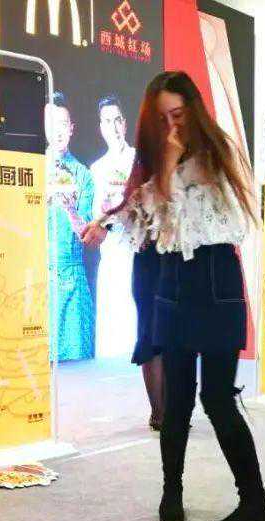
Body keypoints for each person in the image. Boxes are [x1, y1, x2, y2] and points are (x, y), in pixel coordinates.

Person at [83, 71, 265, 521]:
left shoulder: (215, 152)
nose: (171, 126)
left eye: (179, 114)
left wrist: (166, 168)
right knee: (177, 399)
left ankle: (256, 504)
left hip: (214, 277)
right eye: (163, 117)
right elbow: (142, 213)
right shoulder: (154, 160)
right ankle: (172, 492)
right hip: (170, 279)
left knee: (217, 397)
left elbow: (194, 216)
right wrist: (105, 222)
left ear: (194, 110)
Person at [88, 96, 164, 430]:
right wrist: (101, 221)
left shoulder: (157, 163)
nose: (115, 126)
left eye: (118, 119)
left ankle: (173, 409)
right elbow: (126, 204)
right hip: (136, 255)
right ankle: (159, 412)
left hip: (169, 257)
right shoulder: (101, 168)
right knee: (146, 332)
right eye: (107, 120)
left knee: (170, 336)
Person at [47, 92, 96, 362]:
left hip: (73, 278)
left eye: (63, 124)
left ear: (71, 129)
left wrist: (69, 208)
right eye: (52, 124)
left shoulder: (83, 175)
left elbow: (87, 235)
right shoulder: (32, 169)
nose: (58, 131)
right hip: (39, 279)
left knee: (78, 365)